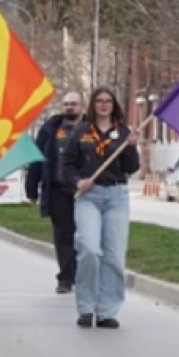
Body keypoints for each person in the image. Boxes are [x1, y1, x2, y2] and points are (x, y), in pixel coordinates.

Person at [60, 87, 139, 329]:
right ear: (93, 105)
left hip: (116, 196)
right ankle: (85, 307)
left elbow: (131, 167)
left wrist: (132, 146)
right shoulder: (81, 132)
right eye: (99, 101)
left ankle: (107, 311)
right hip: (89, 197)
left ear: (114, 105)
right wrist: (77, 182)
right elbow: (67, 165)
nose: (104, 105)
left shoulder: (123, 133)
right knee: (89, 250)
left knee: (114, 256)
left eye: (108, 101)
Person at [25, 91, 85, 294]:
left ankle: (83, 274)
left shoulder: (91, 129)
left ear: (82, 107)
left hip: (86, 193)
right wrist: (31, 188)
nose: (70, 107)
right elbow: (37, 158)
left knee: (86, 236)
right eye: (67, 104)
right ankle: (66, 278)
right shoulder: (51, 129)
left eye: (74, 104)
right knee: (63, 236)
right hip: (59, 191)